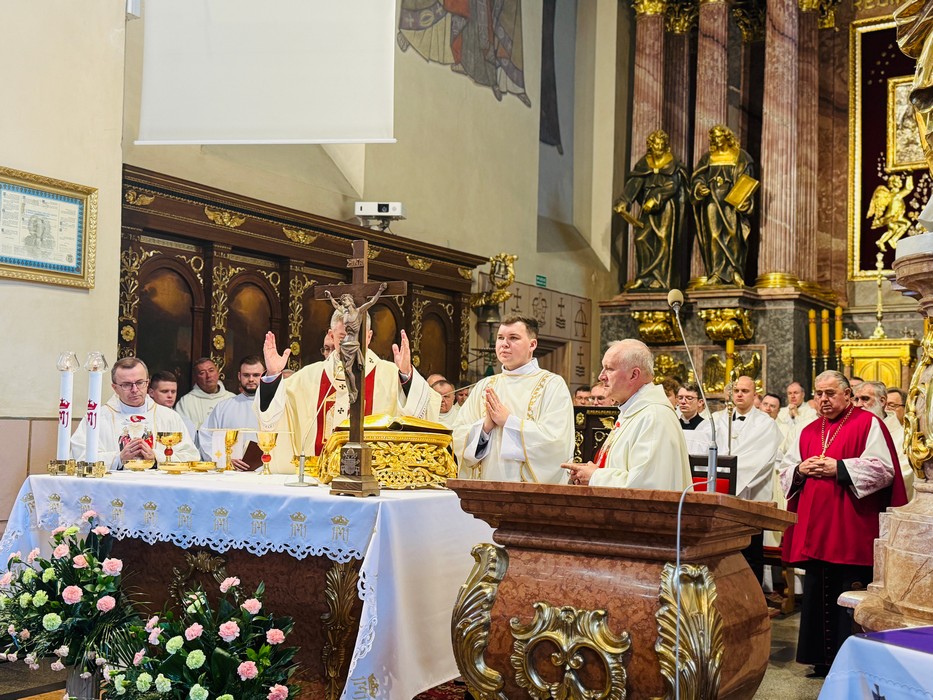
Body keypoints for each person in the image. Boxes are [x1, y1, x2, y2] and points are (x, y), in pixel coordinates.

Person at [780, 370, 907, 678]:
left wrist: (839, 467)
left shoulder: (867, 424)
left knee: (848, 587)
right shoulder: (809, 430)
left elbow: (884, 470)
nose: (823, 399)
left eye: (830, 393)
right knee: (817, 590)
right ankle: (820, 659)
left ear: (847, 395)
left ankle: (851, 661)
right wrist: (800, 469)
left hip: (851, 526)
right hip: (815, 527)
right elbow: (784, 468)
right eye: (819, 394)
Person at [256, 308, 440, 460]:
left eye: (357, 336)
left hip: (374, 476)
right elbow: (275, 413)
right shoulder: (309, 377)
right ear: (331, 335)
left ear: (369, 337)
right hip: (316, 475)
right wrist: (272, 376)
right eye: (343, 336)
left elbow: (420, 412)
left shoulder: (390, 375)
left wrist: (407, 376)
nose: (350, 344)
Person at [452, 316, 574, 483]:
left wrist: (509, 422)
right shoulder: (484, 385)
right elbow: (458, 436)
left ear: (532, 345)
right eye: (500, 338)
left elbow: (557, 442)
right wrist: (485, 428)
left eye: (513, 338)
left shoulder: (551, 385)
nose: (504, 344)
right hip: (485, 487)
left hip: (527, 492)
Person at [561, 339, 691, 490]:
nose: (601, 376)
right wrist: (589, 473)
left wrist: (595, 476)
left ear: (634, 375)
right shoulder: (633, 412)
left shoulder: (654, 417)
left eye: (609, 369)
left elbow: (646, 486)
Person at [692, 375, 783, 582]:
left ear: (755, 395)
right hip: (719, 495)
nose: (740, 394)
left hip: (750, 495)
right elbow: (702, 450)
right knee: (720, 551)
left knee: (750, 551)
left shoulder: (766, 423)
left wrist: (730, 478)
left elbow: (761, 459)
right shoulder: (716, 420)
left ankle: (753, 595)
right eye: (736, 391)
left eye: (745, 391)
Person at [71, 357, 199, 470]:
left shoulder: (168, 417)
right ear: (115, 388)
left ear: (147, 383)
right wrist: (119, 458)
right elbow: (80, 457)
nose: (135, 389)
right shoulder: (96, 418)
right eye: (126, 385)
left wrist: (156, 457)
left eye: (139, 383)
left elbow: (191, 456)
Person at [613, 129, 688, 290]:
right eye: (656, 144)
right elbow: (634, 184)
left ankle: (660, 280)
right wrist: (624, 201)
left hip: (666, 207)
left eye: (662, 144)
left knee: (663, 241)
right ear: (650, 145)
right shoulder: (644, 163)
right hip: (647, 208)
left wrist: (656, 198)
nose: (659, 147)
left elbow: (673, 185)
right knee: (641, 239)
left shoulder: (673, 163)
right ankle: (644, 278)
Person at [690, 124, 756, 286]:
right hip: (712, 201)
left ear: (727, 137)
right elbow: (698, 177)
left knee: (733, 234)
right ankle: (716, 273)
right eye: (714, 138)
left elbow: (746, 180)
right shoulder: (708, 158)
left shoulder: (741, 157)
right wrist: (699, 187)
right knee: (713, 235)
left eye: (719, 136)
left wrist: (743, 199)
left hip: (732, 202)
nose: (717, 140)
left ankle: (735, 272)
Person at [198, 355, 265, 469]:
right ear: (239, 376)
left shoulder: (274, 407)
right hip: (231, 472)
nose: (251, 379)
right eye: (246, 375)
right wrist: (225, 459)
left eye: (256, 375)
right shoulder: (223, 407)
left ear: (264, 376)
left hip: (266, 472)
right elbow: (206, 438)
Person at [175, 358, 234, 431]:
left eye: (211, 370)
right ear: (195, 378)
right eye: (202, 373)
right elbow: (181, 430)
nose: (208, 375)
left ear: (218, 373)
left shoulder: (232, 399)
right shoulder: (185, 402)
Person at [148, 370, 197, 441]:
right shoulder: (144, 420)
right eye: (164, 391)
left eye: (173, 391)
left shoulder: (185, 422)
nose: (170, 395)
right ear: (151, 393)